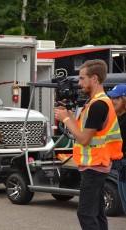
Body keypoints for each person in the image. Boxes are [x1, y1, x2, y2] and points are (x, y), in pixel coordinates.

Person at [54, 59, 123, 229]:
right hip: (96, 165)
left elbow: (84, 139)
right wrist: (68, 114)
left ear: (94, 79)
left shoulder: (98, 105)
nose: (79, 83)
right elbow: (82, 132)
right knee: (97, 212)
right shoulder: (97, 103)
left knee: (85, 213)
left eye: (82, 78)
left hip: (95, 166)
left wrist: (65, 120)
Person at [107, 84, 126, 215]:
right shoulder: (118, 118)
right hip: (120, 165)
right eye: (111, 98)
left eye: (116, 98)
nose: (112, 101)